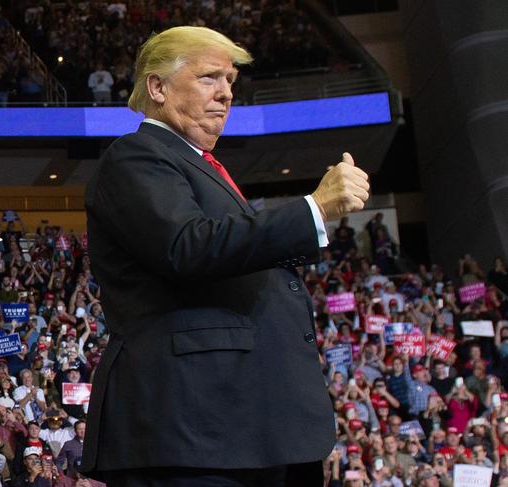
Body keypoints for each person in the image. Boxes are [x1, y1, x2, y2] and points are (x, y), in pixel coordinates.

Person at [81, 25, 370, 486]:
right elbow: (188, 246)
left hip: (244, 428)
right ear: (157, 87)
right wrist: (313, 209)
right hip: (195, 431)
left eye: (231, 81)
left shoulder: (198, 163)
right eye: (209, 78)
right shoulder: (136, 156)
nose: (226, 94)